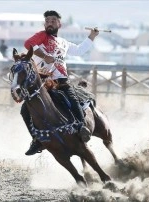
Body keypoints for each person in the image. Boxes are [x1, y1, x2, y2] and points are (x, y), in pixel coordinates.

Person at [22, 10, 99, 155]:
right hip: (44, 84)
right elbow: (28, 44)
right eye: (47, 21)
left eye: (53, 21)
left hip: (62, 82)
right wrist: (45, 56)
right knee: (25, 110)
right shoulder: (42, 36)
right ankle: (36, 140)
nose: (49, 23)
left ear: (59, 24)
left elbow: (79, 50)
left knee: (74, 101)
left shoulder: (63, 42)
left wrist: (92, 36)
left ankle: (82, 128)